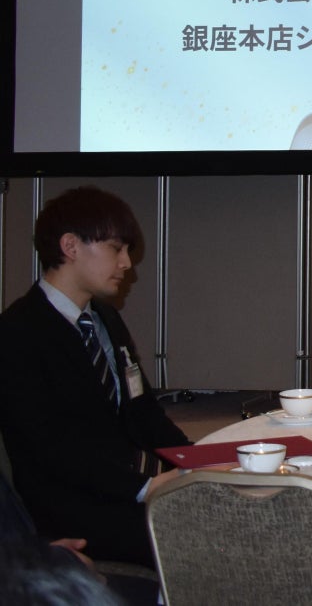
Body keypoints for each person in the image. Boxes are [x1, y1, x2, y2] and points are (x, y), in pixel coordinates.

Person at [0, 187, 188, 567]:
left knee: (231, 503)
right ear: (70, 246)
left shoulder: (104, 318)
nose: (126, 263)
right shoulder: (18, 332)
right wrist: (144, 487)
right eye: (116, 249)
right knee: (205, 533)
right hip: (75, 507)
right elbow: (50, 449)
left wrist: (193, 460)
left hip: (129, 482)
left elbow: (143, 411)